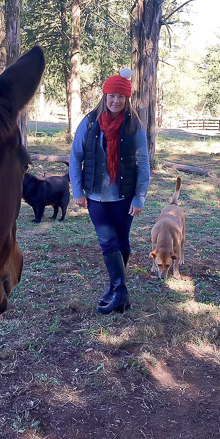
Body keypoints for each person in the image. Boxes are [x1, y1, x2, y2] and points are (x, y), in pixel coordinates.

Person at [69, 68, 150, 314]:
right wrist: (77, 190)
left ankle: (116, 289)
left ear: (127, 100)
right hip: (95, 195)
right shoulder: (90, 122)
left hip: (123, 197)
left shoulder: (133, 125)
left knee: (122, 243)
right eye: (112, 95)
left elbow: (142, 162)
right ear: (104, 96)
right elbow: (76, 157)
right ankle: (120, 293)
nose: (116, 101)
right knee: (108, 242)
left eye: (121, 97)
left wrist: (139, 196)